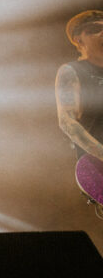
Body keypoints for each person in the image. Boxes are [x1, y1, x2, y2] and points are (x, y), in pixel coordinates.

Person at [56, 10, 103, 165]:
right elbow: (67, 121)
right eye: (95, 30)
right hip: (98, 169)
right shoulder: (72, 71)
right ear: (79, 40)